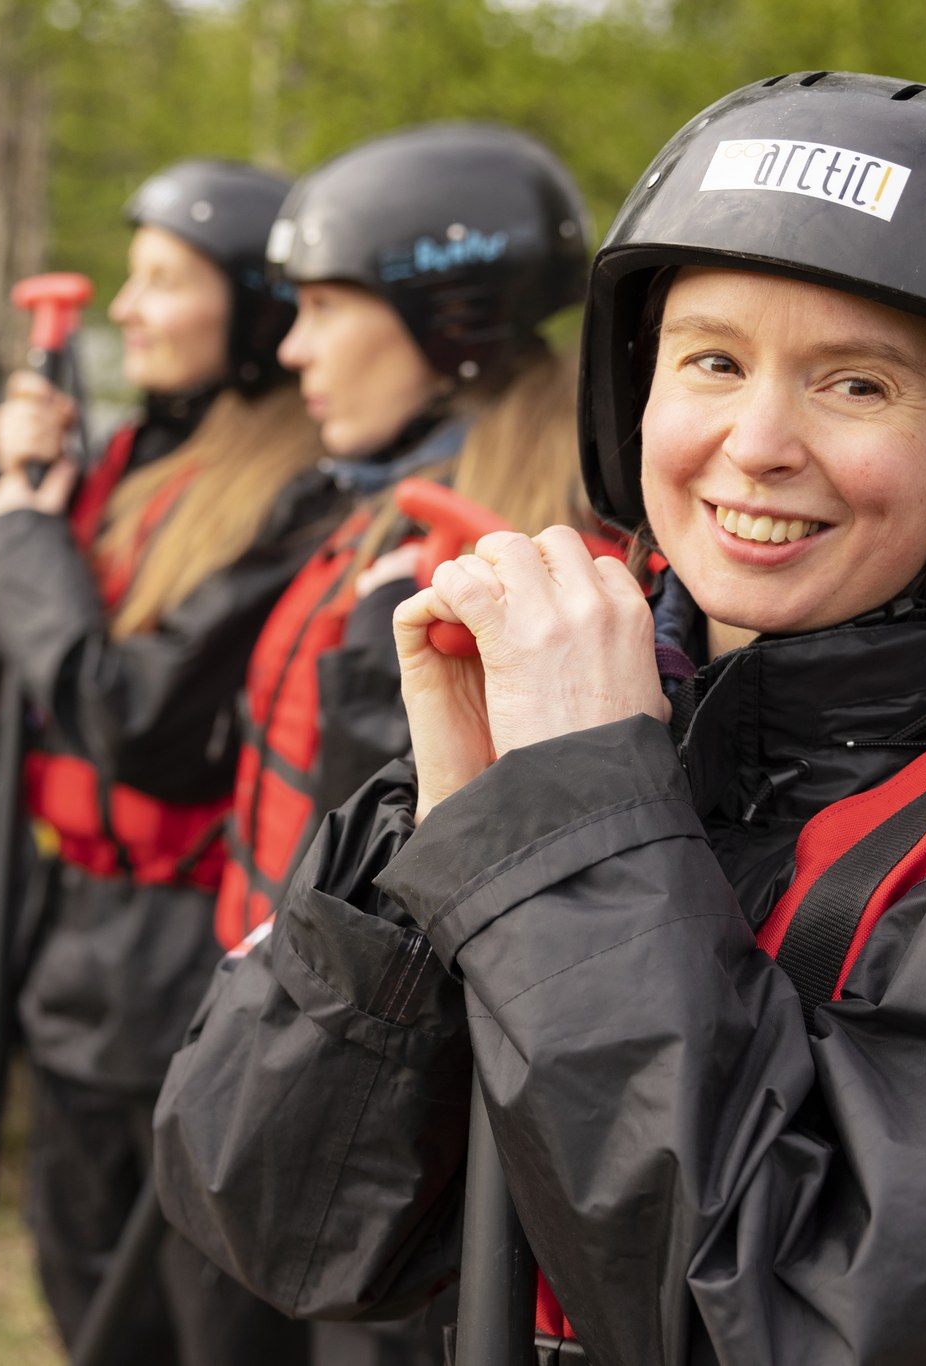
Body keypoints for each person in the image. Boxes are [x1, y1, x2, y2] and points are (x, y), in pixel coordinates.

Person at [155, 73, 926, 1364]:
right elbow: (281, 1218)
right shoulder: (596, 698)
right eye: (712, 360)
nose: (757, 442)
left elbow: (797, 1316)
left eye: (855, 384)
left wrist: (575, 821)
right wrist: (441, 829)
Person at [0, 160, 332, 1366]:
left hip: (195, 948)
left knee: (206, 1301)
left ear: (257, 312)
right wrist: (17, 495)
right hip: (77, 931)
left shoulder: (300, 497)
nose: (124, 308)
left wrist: (22, 539)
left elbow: (143, 725)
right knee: (75, 1259)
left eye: (163, 281)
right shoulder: (125, 458)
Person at [212, 122, 594, 970]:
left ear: (446, 323)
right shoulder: (386, 499)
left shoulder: (492, 570)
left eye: (324, 307)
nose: (291, 349)